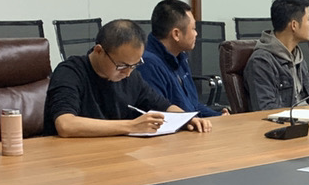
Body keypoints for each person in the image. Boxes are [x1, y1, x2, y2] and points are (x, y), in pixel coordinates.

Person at [44, 19, 213, 137]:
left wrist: (186, 118)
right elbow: (66, 124)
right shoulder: (70, 72)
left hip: (115, 153)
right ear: (99, 51)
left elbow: (164, 105)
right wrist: (132, 126)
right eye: (122, 65)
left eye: (135, 64)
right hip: (72, 160)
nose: (128, 72)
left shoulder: (131, 76)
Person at [140, 0, 226, 119]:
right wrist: (195, 121)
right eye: (193, 29)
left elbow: (193, 106)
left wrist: (219, 117)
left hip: (190, 123)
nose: (196, 34)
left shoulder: (180, 56)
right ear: (176, 34)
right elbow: (161, 115)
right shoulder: (148, 64)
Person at [246, 0, 309, 111]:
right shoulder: (261, 62)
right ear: (294, 25)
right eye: (308, 19)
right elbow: (266, 109)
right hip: (287, 120)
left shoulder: (297, 57)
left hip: (308, 118)